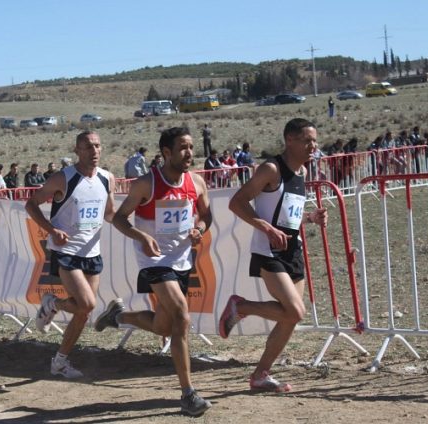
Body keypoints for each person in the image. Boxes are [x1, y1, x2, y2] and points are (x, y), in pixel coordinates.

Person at [94, 126, 213, 417]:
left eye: (191, 147)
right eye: (183, 147)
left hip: (183, 259)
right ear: (166, 152)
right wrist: (141, 237)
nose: (189, 153)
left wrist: (199, 228)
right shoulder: (146, 184)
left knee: (163, 326)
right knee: (182, 317)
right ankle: (188, 394)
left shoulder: (196, 182)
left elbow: (206, 214)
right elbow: (120, 219)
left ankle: (117, 316)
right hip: (154, 260)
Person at [219, 118, 327, 393]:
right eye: (307, 140)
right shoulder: (271, 169)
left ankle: (260, 375)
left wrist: (310, 218)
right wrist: (265, 228)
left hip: (293, 251)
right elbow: (237, 202)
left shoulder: (301, 172)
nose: (312, 146)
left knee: (289, 318)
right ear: (289, 140)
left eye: (314, 140)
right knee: (296, 311)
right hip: (268, 251)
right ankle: (241, 307)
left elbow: (287, 216)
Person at [25, 130, 116, 380]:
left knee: (83, 312)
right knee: (87, 303)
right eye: (87, 147)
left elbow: (109, 213)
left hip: (92, 251)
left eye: (97, 146)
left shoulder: (108, 178)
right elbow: (31, 205)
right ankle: (52, 303)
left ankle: (60, 362)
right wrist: (52, 230)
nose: (94, 151)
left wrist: (134, 223)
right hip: (67, 251)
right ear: (77, 151)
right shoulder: (63, 179)